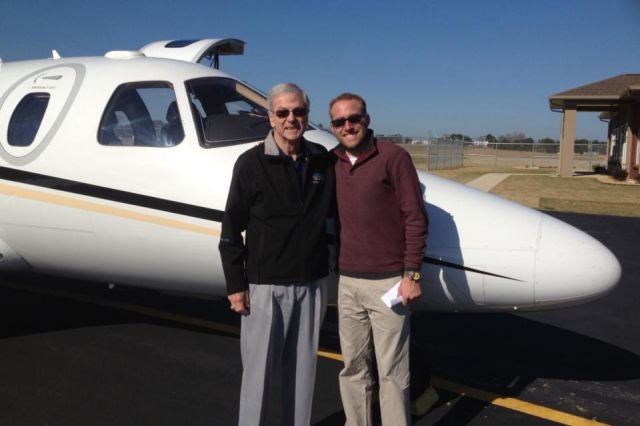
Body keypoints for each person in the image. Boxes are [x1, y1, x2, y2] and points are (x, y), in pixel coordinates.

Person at [219, 83, 335, 426]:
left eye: (298, 112)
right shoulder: (250, 164)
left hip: (312, 285)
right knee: (260, 378)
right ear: (271, 117)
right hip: (265, 287)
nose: (291, 119)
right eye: (283, 112)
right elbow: (230, 229)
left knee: (303, 376)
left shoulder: (321, 161)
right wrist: (235, 284)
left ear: (307, 116)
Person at [329, 92, 429, 425]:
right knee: (353, 368)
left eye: (353, 118)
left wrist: (411, 275)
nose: (347, 126)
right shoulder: (332, 161)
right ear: (333, 127)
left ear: (366, 120)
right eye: (339, 121)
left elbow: (415, 218)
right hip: (348, 283)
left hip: (389, 284)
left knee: (392, 372)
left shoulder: (394, 157)